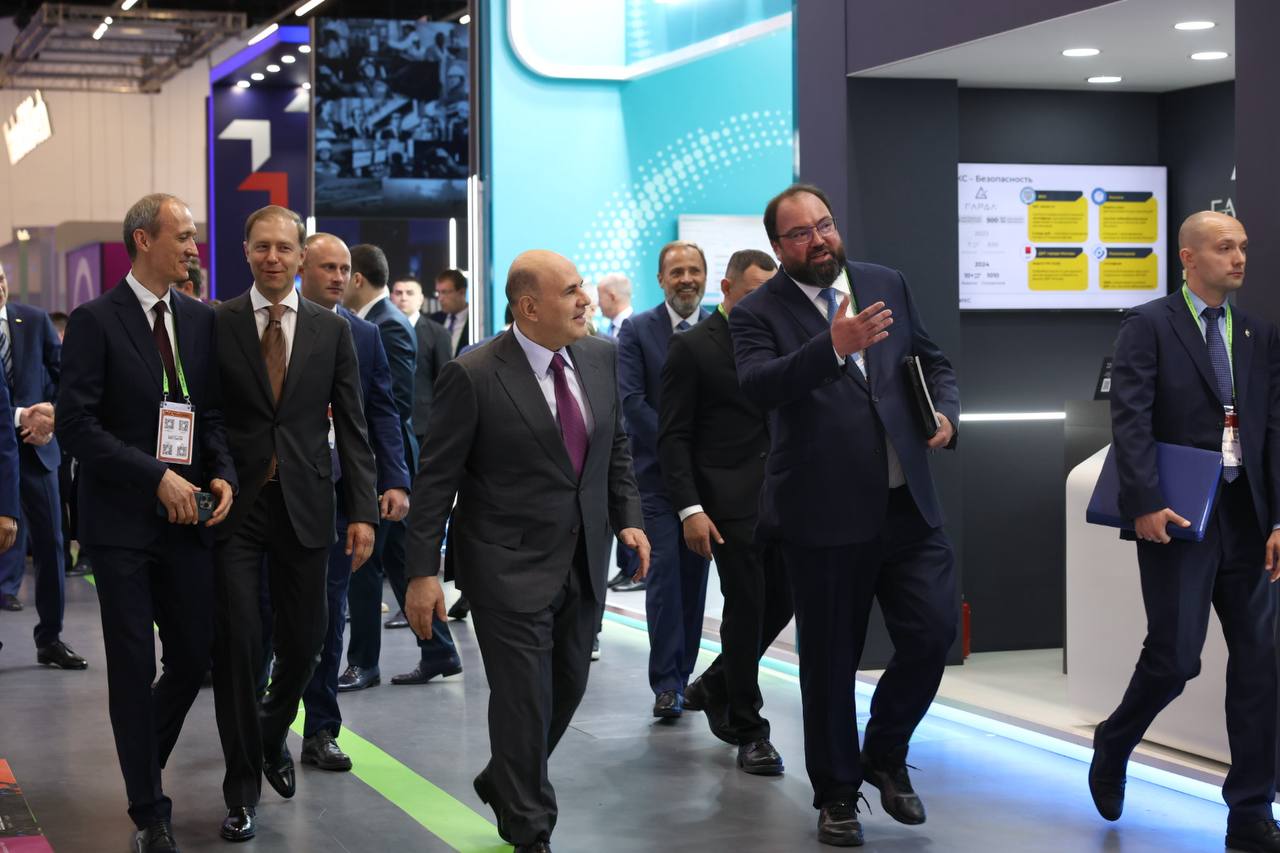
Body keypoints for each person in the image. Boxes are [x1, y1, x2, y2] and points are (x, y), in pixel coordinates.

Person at [730, 183, 960, 847]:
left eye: (825, 224)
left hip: (906, 503)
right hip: (822, 513)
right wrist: (832, 346)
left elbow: (931, 360)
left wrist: (946, 415)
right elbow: (758, 387)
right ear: (779, 246)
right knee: (830, 662)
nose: (819, 240)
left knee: (933, 633)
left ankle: (883, 751)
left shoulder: (885, 281)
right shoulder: (757, 311)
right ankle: (836, 794)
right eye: (801, 233)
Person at [404, 250, 649, 853]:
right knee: (523, 699)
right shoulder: (473, 374)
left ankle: (505, 778)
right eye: (571, 292)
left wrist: (629, 519)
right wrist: (422, 573)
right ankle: (530, 825)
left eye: (582, 288)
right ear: (529, 307)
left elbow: (615, 446)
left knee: (567, 687)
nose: (585, 300)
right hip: (503, 566)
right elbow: (435, 481)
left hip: (583, 558)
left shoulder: (601, 356)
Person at [1089, 211, 1280, 853]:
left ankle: (1250, 811)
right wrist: (1144, 501)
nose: (1239, 258)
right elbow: (1130, 417)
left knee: (1260, 664)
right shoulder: (1148, 324)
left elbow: (1273, 430)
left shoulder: (1257, 333)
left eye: (1243, 247)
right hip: (1178, 517)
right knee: (1175, 658)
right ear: (1188, 258)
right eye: (1225, 248)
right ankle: (1115, 739)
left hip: (1248, 519)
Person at [57, 193, 237, 853]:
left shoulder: (198, 319)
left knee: (192, 655)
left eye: (193, 237)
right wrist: (153, 475)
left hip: (189, 518)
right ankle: (149, 809)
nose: (193, 248)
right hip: (123, 525)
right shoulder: (95, 320)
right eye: (182, 236)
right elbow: (77, 425)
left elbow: (208, 413)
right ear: (143, 239)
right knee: (132, 665)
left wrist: (222, 472)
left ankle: (139, 755)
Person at [211, 205, 378, 842]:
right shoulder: (219, 322)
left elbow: (353, 425)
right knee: (240, 647)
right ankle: (241, 793)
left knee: (308, 642)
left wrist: (362, 510)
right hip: (238, 506)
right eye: (262, 247)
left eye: (284, 247)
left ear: (299, 255)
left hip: (309, 505)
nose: (273, 257)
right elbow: (210, 414)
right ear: (246, 251)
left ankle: (272, 730)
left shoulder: (331, 330)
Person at [657, 248, 792, 774]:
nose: (767, 303)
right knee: (747, 606)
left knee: (783, 601)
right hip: (727, 505)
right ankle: (748, 728)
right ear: (729, 290)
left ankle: (715, 684)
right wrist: (690, 508)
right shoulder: (692, 347)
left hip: (784, 497)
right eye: (756, 293)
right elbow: (673, 436)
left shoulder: (782, 341)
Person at [296, 233, 409, 772]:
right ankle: (260, 729)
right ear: (302, 267)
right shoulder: (270, 327)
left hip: (341, 497)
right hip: (277, 493)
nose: (339, 277)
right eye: (328, 267)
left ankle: (321, 730)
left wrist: (395, 480)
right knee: (268, 618)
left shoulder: (364, 335)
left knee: (329, 614)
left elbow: (383, 411)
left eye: (345, 269)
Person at [342, 244, 461, 688]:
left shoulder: (386, 324)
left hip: (382, 465)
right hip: (382, 464)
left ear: (356, 277)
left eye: (341, 270)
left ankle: (364, 663)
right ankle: (440, 650)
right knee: (400, 562)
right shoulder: (374, 320)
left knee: (365, 563)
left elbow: (395, 403)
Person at [616, 240, 712, 718]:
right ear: (661, 279)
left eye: (694, 270)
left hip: (706, 485)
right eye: (677, 272)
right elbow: (632, 403)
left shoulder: (721, 328)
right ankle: (667, 684)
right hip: (655, 480)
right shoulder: (637, 330)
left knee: (694, 583)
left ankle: (685, 675)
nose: (686, 279)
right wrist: (680, 448)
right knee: (665, 578)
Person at [0, 261, 84, 667]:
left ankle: (50, 638)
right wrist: (21, 417)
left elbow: (67, 378)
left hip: (38, 450)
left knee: (51, 544)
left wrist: (51, 414)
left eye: (1, 278)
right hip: (5, 446)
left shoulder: (33, 321)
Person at [430, 268, 469, 356]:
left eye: (444, 292)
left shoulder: (476, 323)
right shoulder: (434, 320)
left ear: (462, 292)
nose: (440, 299)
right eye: (438, 293)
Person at [595, 272, 634, 338]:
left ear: (612, 297)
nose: (598, 304)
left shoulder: (638, 328)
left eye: (599, 297)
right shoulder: (613, 327)